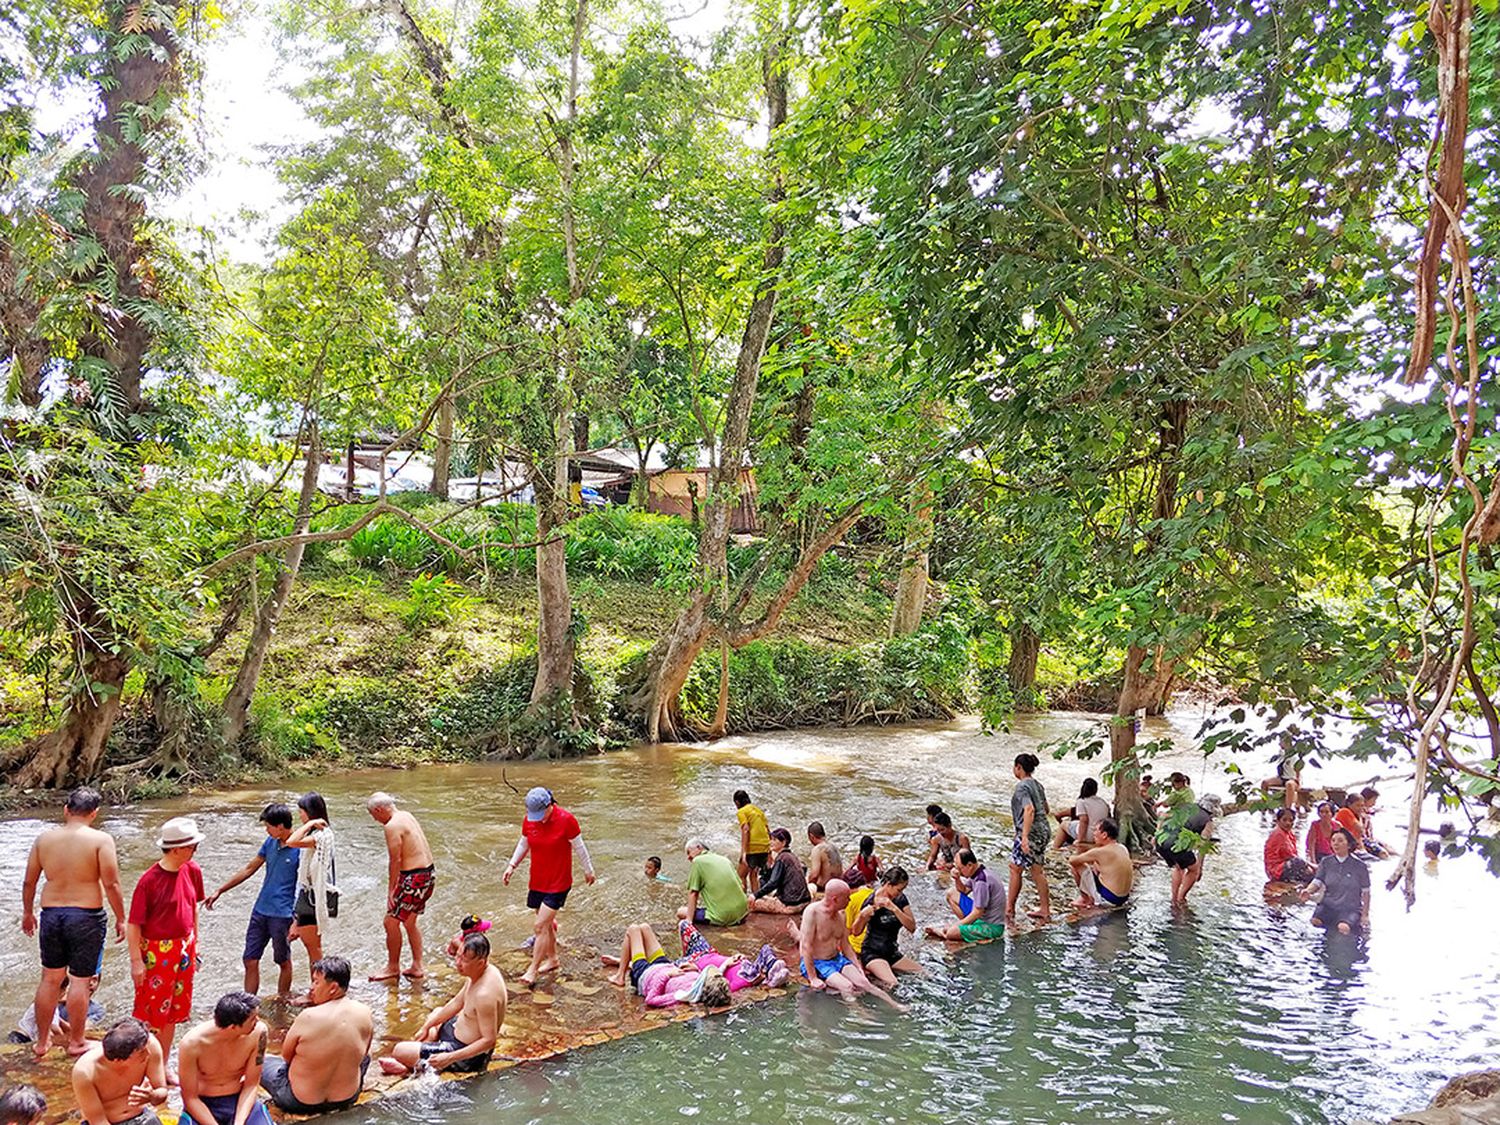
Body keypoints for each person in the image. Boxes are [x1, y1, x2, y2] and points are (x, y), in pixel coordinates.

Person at [21, 786, 125, 1058]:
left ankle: (42, 1043)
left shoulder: (44, 839)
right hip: (86, 915)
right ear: (94, 813)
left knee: (50, 979)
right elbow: (111, 883)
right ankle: (77, 1042)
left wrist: (27, 913)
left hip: (51, 914)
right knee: (79, 981)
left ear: (66, 810)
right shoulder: (101, 840)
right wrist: (121, 918)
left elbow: (29, 881)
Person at [127, 816, 206, 1076]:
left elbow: (192, 908)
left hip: (184, 948)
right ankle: (144, 1064)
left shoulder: (192, 870)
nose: (195, 850)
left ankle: (161, 1064)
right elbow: (134, 924)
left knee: (173, 1011)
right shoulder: (149, 881)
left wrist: (196, 944)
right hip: (156, 953)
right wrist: (136, 961)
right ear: (175, 849)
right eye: (192, 846)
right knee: (151, 1013)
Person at [205, 803, 301, 997]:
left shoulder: (301, 848)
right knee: (249, 959)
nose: (266, 829)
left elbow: (304, 886)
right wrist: (220, 890)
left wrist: (297, 920)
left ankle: (281, 1001)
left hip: (283, 914)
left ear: (281, 826)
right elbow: (249, 869)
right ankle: (249, 1003)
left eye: (269, 826)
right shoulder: (270, 843)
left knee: (283, 961)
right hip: (261, 910)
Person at [504, 787, 596, 986]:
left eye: (541, 814)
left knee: (539, 926)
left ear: (550, 805)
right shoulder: (530, 820)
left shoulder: (567, 820)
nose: (537, 819)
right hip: (537, 880)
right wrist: (512, 866)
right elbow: (524, 843)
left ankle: (532, 970)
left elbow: (580, 847)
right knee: (546, 925)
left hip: (559, 882)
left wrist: (588, 870)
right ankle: (553, 960)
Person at [378, 933, 505, 1076]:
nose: (457, 963)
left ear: (480, 963)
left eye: (463, 960)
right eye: (457, 956)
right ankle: (419, 1060)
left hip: (465, 1054)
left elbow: (489, 1041)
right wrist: (427, 1026)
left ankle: (412, 1067)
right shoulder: (479, 973)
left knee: (399, 1050)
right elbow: (457, 1002)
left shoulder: (485, 995)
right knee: (437, 1013)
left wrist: (449, 1058)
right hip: (457, 1032)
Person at [260, 957, 373, 1114]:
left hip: (298, 1101)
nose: (311, 988)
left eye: (316, 982)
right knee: (366, 1057)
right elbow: (364, 1053)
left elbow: (286, 1056)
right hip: (347, 1097)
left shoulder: (308, 1016)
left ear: (333, 988)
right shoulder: (365, 1011)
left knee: (262, 1061)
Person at [604, 920, 787, 1003]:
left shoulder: (686, 993)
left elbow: (652, 999)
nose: (714, 971)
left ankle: (621, 975)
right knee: (644, 927)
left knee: (634, 929)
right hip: (668, 964)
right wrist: (723, 964)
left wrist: (668, 974)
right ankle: (622, 965)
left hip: (647, 975)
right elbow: (715, 973)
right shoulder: (702, 980)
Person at [795, 880, 903, 1011]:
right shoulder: (812, 912)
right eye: (846, 897)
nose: (850, 900)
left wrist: (858, 968)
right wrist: (813, 978)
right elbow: (806, 946)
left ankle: (895, 1005)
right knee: (847, 987)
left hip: (837, 959)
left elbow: (846, 946)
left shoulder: (841, 915)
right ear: (835, 899)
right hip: (818, 962)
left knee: (864, 983)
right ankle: (859, 1014)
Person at [367, 793, 436, 982]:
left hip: (413, 878)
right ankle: (417, 965)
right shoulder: (406, 815)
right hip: (428, 874)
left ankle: (392, 967)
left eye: (374, 815)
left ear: (379, 810)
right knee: (410, 922)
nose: (376, 820)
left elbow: (395, 860)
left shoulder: (392, 826)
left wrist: (392, 890)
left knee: (390, 922)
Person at [177, 992, 272, 1125]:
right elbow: (190, 1098)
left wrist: (239, 1123)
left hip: (238, 1100)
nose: (258, 1022)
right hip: (204, 1104)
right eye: (252, 1019)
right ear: (233, 1027)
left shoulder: (259, 1033)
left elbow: (251, 1084)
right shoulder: (191, 1044)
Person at [71, 1018, 168, 1125]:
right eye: (141, 1053)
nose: (148, 1054)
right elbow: (98, 1121)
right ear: (119, 1060)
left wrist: (153, 1096)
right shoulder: (85, 1072)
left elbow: (162, 1091)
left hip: (141, 1116)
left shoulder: (150, 1044)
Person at [284, 793, 337, 988]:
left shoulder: (320, 836)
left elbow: (291, 841)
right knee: (312, 947)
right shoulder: (320, 835)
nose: (300, 816)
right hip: (311, 896)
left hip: (313, 897)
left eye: (302, 812)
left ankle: (317, 989)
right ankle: (316, 987)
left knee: (313, 949)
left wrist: (310, 824)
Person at [849, 867, 921, 987]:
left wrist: (894, 908)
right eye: (898, 890)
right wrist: (862, 916)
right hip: (873, 953)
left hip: (892, 952)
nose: (900, 893)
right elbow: (855, 932)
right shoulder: (871, 901)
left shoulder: (900, 899)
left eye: (902, 890)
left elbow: (912, 927)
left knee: (924, 974)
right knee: (893, 983)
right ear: (888, 885)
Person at [1007, 753, 1052, 922]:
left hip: (1032, 832)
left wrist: (1024, 836)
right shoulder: (1038, 785)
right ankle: (1043, 909)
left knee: (1020, 869)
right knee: (1029, 869)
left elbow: (1029, 809)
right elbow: (1046, 809)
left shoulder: (1022, 787)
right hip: (1044, 830)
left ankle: (1010, 909)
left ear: (1018, 767)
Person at [925, 850, 1007, 943]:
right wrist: (957, 879)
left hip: (991, 925)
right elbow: (964, 890)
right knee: (951, 893)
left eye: (960, 868)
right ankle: (966, 928)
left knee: (952, 933)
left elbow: (978, 912)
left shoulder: (981, 882)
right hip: (981, 917)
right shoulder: (977, 872)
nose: (958, 871)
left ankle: (943, 933)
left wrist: (957, 925)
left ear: (970, 865)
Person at [1301, 828, 1371, 935]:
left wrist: (1365, 915)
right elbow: (1317, 882)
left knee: (1343, 928)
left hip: (1350, 908)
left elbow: (1366, 892)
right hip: (1328, 906)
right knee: (1315, 922)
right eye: (1333, 841)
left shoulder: (1360, 866)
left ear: (1349, 845)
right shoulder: (1326, 862)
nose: (1336, 844)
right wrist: (1308, 891)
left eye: (1340, 841)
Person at [1156, 794, 1219, 907]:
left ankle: (1174, 899)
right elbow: (1203, 846)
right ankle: (1181, 898)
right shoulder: (1208, 821)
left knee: (1179, 867)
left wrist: (1157, 834)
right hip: (1178, 845)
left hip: (1161, 841)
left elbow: (1161, 815)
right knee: (1193, 870)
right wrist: (1200, 867)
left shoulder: (1185, 807)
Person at [14, 973, 104, 1045]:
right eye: (88, 978)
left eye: (95, 980)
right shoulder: (52, 1000)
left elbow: (84, 1030)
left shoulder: (96, 1010)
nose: (91, 983)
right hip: (24, 1037)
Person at [1067, 819, 1134, 909]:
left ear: (1104, 835)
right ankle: (1091, 897)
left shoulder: (1099, 852)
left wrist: (1075, 849)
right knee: (1095, 865)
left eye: (1096, 830)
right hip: (1123, 898)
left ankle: (1085, 899)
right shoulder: (1122, 848)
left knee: (1076, 866)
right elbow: (1105, 864)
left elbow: (1073, 861)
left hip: (1109, 899)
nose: (1093, 833)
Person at [677, 841, 748, 926]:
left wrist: (689, 921)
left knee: (681, 911)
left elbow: (693, 893)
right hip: (743, 911)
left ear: (699, 847)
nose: (688, 858)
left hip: (723, 917)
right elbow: (742, 886)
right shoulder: (724, 859)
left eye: (689, 852)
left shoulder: (697, 861)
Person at [750, 828, 811, 914]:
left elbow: (773, 882)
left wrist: (755, 895)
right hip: (805, 901)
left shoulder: (781, 858)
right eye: (771, 839)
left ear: (783, 842)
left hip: (791, 905)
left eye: (774, 840)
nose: (771, 842)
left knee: (751, 903)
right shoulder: (791, 856)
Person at [1052, 778, 1110, 850]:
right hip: (1101, 834)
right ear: (1096, 790)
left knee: (1063, 824)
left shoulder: (1081, 801)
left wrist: (1080, 840)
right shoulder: (1102, 802)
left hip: (1089, 834)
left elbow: (1084, 820)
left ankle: (1055, 848)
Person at [1264, 807, 1314, 884]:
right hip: (1275, 870)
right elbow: (1290, 856)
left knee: (1307, 871)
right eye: (1284, 820)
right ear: (1278, 821)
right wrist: (1310, 865)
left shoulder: (1289, 833)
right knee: (1299, 863)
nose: (1288, 823)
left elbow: (1294, 853)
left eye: (1291, 820)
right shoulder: (1279, 834)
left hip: (1283, 867)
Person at [733, 790, 771, 893]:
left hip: (753, 846)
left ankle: (743, 901)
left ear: (737, 802)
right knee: (753, 875)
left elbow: (746, 829)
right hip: (764, 845)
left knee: (740, 876)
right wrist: (769, 850)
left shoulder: (742, 812)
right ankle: (756, 899)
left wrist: (744, 852)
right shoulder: (759, 811)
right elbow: (767, 829)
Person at [1261, 744, 1302, 809]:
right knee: (1265, 782)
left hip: (1292, 778)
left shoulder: (1294, 756)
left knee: (1289, 784)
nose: (1280, 743)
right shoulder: (1282, 753)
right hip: (1282, 777)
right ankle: (1264, 805)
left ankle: (1288, 808)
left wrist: (1298, 782)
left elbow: (1297, 770)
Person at [805, 823, 844, 892]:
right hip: (838, 884)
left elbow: (814, 875)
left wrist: (807, 884)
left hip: (824, 887)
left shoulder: (817, 849)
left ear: (811, 836)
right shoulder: (833, 846)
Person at [1358, 787, 1392, 858]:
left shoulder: (1366, 811)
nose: (1374, 803)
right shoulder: (1360, 813)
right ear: (1366, 799)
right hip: (1364, 840)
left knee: (1388, 848)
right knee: (1384, 853)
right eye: (1373, 800)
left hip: (1370, 838)